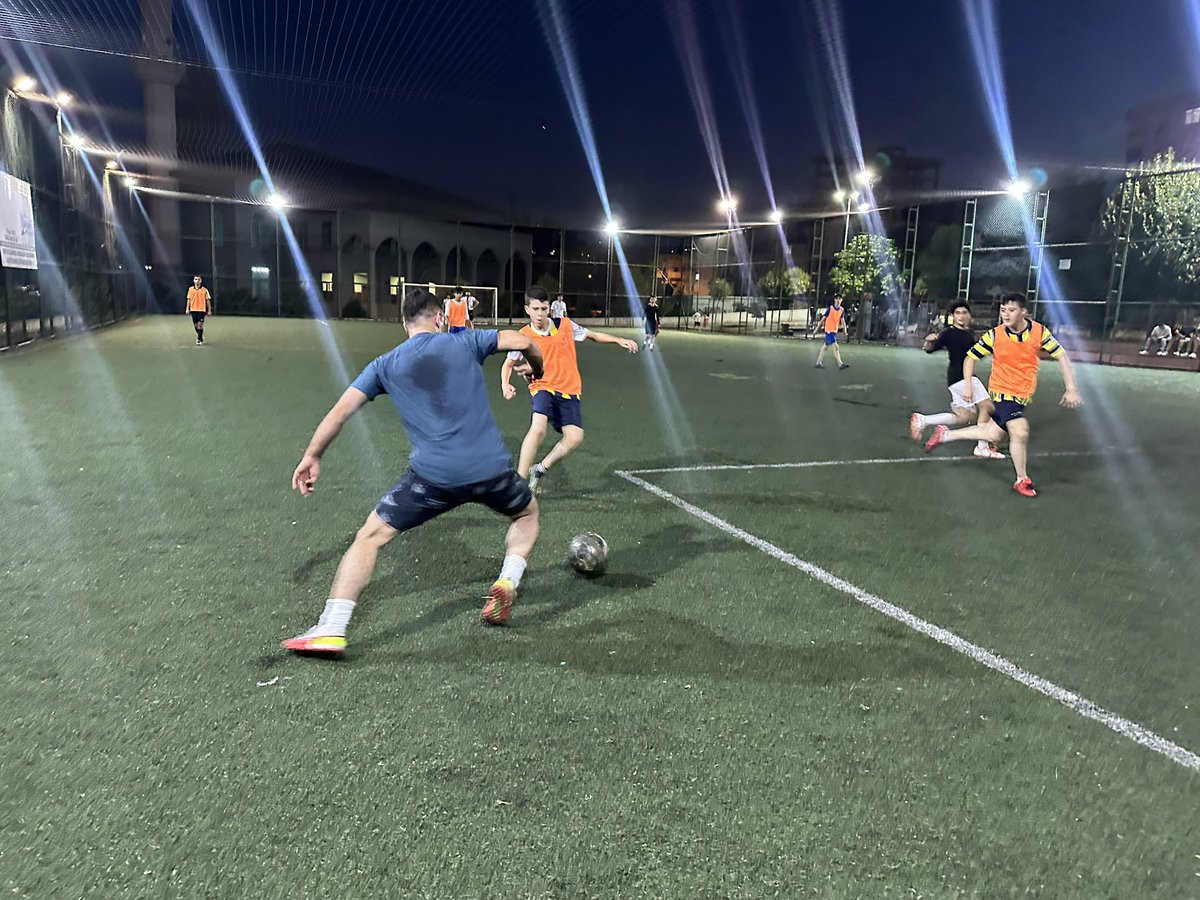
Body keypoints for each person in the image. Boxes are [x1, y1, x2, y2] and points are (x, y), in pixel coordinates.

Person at [282, 287, 546, 656]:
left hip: (432, 479)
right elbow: (524, 341)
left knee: (369, 537)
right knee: (527, 514)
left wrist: (313, 456)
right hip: (491, 470)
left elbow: (340, 413)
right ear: (439, 318)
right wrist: (536, 369)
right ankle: (507, 581)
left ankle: (333, 626)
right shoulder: (466, 341)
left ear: (405, 325)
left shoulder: (384, 364)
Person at [923, 292, 1082, 497]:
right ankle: (1022, 480)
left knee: (993, 434)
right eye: (1003, 310)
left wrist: (1071, 388)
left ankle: (945, 435)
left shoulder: (1039, 332)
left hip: (1021, 395)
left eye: (1011, 310)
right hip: (1002, 392)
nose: (1006, 314)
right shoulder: (995, 335)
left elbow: (1061, 355)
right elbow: (970, 358)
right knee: (1020, 430)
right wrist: (968, 386)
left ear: (1024, 312)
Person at [501, 285, 638, 494]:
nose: (540, 314)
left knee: (575, 437)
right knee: (538, 429)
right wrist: (505, 384)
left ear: (549, 308)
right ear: (527, 309)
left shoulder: (565, 325)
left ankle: (540, 469)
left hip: (569, 389)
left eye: (544, 309)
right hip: (543, 386)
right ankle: (518, 483)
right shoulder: (523, 336)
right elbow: (508, 364)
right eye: (535, 309)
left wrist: (618, 340)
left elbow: (593, 335)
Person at [908, 301, 1005, 460]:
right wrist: (928, 341)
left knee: (965, 417)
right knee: (988, 407)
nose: (961, 316)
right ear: (953, 316)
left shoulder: (969, 333)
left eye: (964, 313)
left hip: (959, 378)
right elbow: (930, 349)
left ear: (969, 315)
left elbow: (975, 353)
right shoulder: (948, 333)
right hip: (961, 378)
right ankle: (982, 447)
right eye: (957, 313)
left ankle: (924, 420)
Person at [815, 294, 850, 369]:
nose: (838, 300)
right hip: (829, 330)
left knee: (825, 347)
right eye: (837, 298)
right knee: (835, 346)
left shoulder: (841, 310)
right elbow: (823, 319)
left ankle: (818, 363)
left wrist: (845, 329)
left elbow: (842, 320)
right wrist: (816, 329)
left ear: (841, 300)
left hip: (834, 330)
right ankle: (840, 363)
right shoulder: (830, 308)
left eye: (839, 299)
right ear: (834, 300)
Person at [185, 275, 213, 345]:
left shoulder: (204, 290)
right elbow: (189, 300)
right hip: (193, 309)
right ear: (193, 280)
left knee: (200, 325)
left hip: (201, 310)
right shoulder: (190, 289)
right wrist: (187, 308)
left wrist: (209, 310)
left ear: (201, 281)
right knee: (196, 326)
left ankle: (199, 339)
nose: (197, 281)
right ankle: (200, 335)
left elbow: (208, 300)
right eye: (196, 279)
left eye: (198, 279)